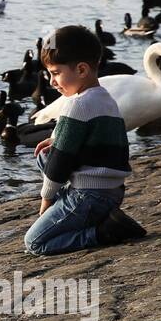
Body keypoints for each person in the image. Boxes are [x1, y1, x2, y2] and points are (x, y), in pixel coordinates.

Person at [24, 25, 146, 255]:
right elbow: (100, 143)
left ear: (81, 69)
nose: (51, 81)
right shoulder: (105, 98)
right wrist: (55, 140)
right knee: (45, 154)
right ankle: (94, 214)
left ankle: (104, 232)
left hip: (89, 195)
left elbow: (60, 162)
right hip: (112, 191)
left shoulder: (77, 105)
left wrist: (47, 199)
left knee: (35, 242)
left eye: (56, 73)